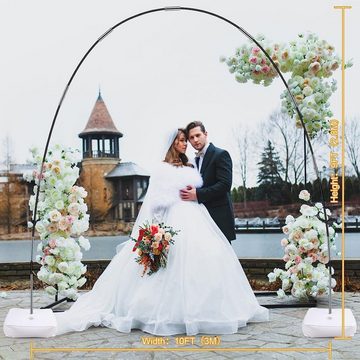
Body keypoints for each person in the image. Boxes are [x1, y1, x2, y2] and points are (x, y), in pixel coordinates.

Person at [55, 128, 269, 336]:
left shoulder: (191, 164)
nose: (185, 143)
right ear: (172, 144)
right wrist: (156, 232)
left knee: (205, 258)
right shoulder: (163, 169)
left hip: (197, 217)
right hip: (172, 220)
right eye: (181, 140)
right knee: (169, 267)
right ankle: (162, 311)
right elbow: (156, 203)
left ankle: (208, 308)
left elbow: (214, 187)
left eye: (187, 139)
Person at [180, 121, 236, 243]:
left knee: (222, 260)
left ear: (205, 134)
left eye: (198, 135)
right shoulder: (195, 160)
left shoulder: (221, 154)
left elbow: (225, 185)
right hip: (202, 221)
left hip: (219, 219)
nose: (195, 140)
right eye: (191, 137)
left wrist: (198, 194)